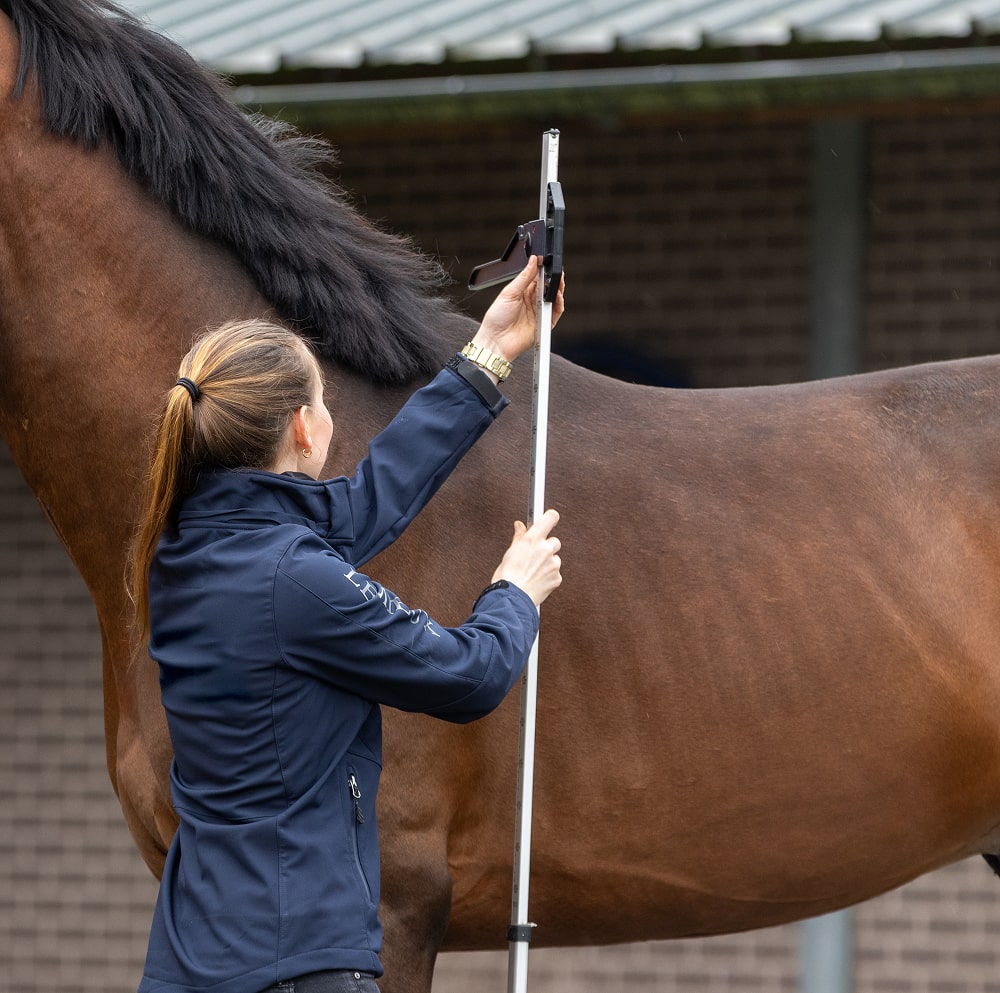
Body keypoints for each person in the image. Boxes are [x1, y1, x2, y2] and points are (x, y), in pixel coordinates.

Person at [127, 258, 564, 993]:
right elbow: (467, 674)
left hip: (192, 960)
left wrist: (489, 352)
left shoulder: (184, 548)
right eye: (324, 399)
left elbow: (367, 501)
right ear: (304, 426)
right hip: (297, 966)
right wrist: (514, 593)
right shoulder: (293, 577)